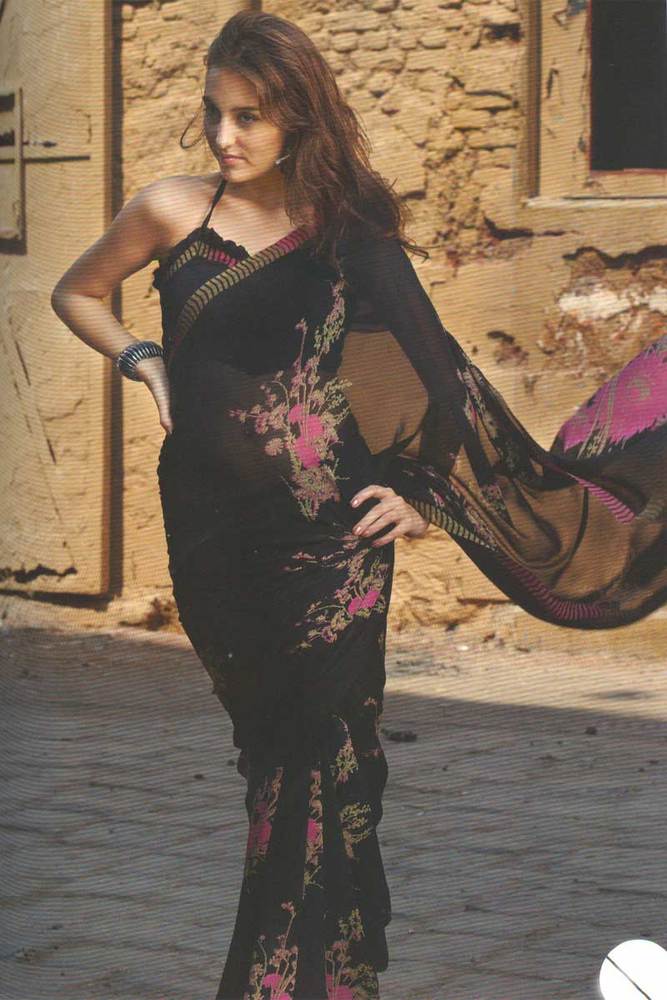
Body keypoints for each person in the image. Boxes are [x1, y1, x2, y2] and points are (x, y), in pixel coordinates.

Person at [51, 10, 667, 1000]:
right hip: (212, 536)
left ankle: (294, 981)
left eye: (248, 116)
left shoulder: (348, 235)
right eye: (213, 113)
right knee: (268, 751)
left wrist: (421, 498)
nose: (224, 136)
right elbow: (77, 292)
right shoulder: (169, 208)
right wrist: (146, 360)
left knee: (321, 754)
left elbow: (439, 384)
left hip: (331, 540)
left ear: (297, 116)